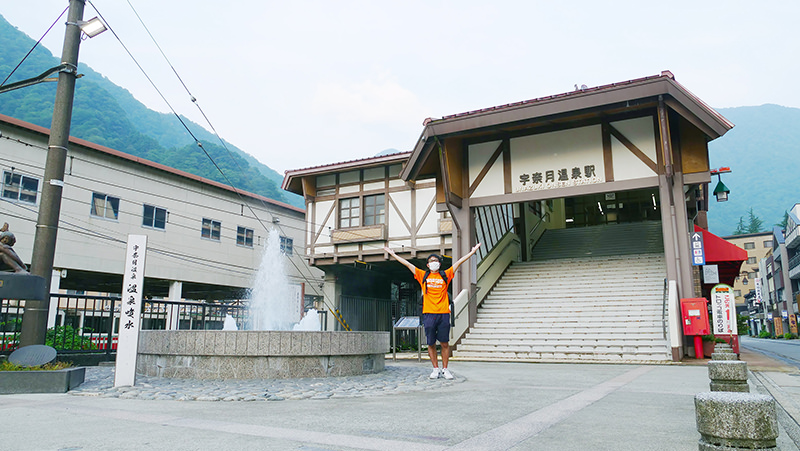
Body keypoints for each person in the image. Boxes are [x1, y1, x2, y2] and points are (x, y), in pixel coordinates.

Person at [384, 243, 481, 380]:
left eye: (436, 261)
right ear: (428, 265)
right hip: (428, 313)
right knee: (430, 343)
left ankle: (445, 369)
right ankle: (435, 369)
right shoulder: (422, 275)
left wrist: (472, 252)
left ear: (439, 264)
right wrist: (393, 254)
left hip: (443, 314)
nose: (433, 263)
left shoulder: (445, 275)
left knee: (445, 343)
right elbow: (407, 264)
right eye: (431, 261)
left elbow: (459, 262)